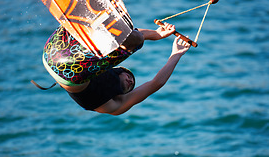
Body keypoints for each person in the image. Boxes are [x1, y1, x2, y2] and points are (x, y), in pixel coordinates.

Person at [36, 23, 191, 115]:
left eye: (131, 86)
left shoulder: (117, 105)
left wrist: (176, 54)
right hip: (55, 49)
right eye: (130, 76)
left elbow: (155, 83)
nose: (131, 81)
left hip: (68, 71)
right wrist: (156, 33)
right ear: (119, 69)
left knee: (132, 39)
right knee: (117, 34)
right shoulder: (99, 63)